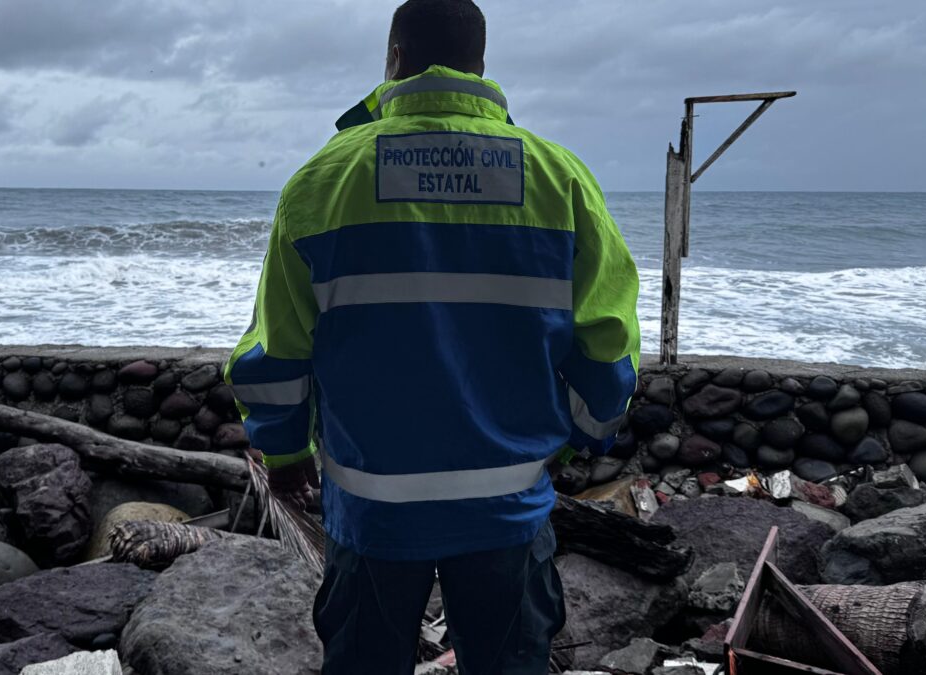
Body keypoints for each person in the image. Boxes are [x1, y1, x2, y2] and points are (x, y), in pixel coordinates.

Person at [224, 0, 640, 672]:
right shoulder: (560, 179)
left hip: (372, 506)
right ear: (479, 64)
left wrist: (283, 451)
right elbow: (607, 340)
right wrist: (586, 435)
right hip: (507, 505)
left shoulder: (321, 182)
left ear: (394, 57)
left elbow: (277, 349)